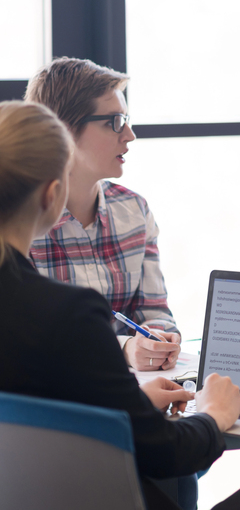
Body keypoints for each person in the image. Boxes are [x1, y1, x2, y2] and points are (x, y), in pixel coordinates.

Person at [0, 100, 240, 510]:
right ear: (52, 195)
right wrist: (213, 415)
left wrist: (129, 406)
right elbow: (169, 454)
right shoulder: (69, 315)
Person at [26, 58, 181, 373]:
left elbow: (153, 311)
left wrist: (159, 337)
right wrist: (124, 347)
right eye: (115, 121)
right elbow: (32, 340)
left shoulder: (135, 211)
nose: (129, 135)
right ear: (63, 129)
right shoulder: (18, 222)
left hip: (129, 388)